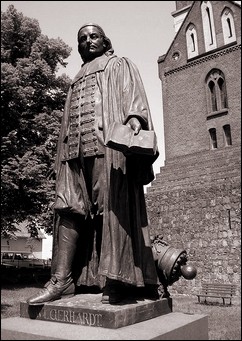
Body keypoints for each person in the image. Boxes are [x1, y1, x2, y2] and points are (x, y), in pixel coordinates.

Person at [27, 23, 159, 305]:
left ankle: (117, 279)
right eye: (82, 38)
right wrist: (58, 157)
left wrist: (136, 119)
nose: (88, 41)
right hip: (72, 155)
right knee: (67, 209)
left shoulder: (118, 64)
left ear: (105, 40)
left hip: (106, 150)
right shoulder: (75, 78)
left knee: (110, 210)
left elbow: (134, 98)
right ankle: (61, 281)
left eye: (93, 36)